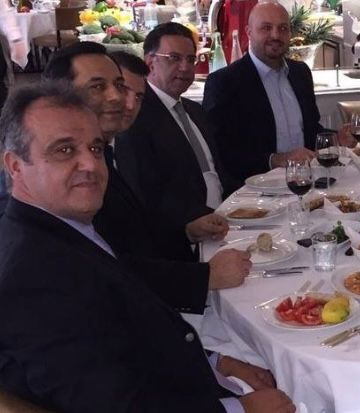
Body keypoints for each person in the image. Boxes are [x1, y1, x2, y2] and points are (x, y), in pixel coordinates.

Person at [0, 82, 294, 412]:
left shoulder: (61, 229)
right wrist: (240, 409)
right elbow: (110, 405)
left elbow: (129, 334)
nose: (90, 165)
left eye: (95, 148)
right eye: (64, 150)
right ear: (15, 166)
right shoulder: (34, 276)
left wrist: (217, 362)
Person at [42, 42, 250, 313]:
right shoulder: (56, 172)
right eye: (98, 86)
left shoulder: (104, 153)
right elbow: (97, 266)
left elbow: (132, 235)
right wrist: (204, 277)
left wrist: (186, 230)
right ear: (58, 96)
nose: (120, 99)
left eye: (120, 86)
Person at [117, 22, 240, 260]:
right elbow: (146, 195)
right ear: (150, 62)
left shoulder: (194, 110)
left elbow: (218, 173)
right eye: (174, 58)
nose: (185, 68)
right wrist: (190, 225)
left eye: (190, 59)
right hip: (182, 243)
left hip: (226, 222)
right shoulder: (135, 119)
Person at [203, 2, 352, 181]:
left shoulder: (300, 73)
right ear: (249, 32)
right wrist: (276, 160)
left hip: (306, 181)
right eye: (266, 28)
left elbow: (310, 131)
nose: (275, 35)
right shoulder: (224, 82)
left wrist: (336, 139)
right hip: (255, 189)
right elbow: (220, 151)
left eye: (282, 28)